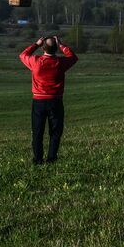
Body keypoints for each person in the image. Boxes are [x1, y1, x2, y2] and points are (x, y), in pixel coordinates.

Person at [19, 35, 77, 165]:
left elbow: (23, 55)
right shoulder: (60, 63)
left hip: (38, 101)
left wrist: (36, 44)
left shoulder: (35, 61)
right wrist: (62, 45)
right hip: (56, 101)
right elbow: (73, 57)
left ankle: (38, 159)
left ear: (43, 48)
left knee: (37, 132)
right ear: (56, 48)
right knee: (55, 131)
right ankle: (51, 158)